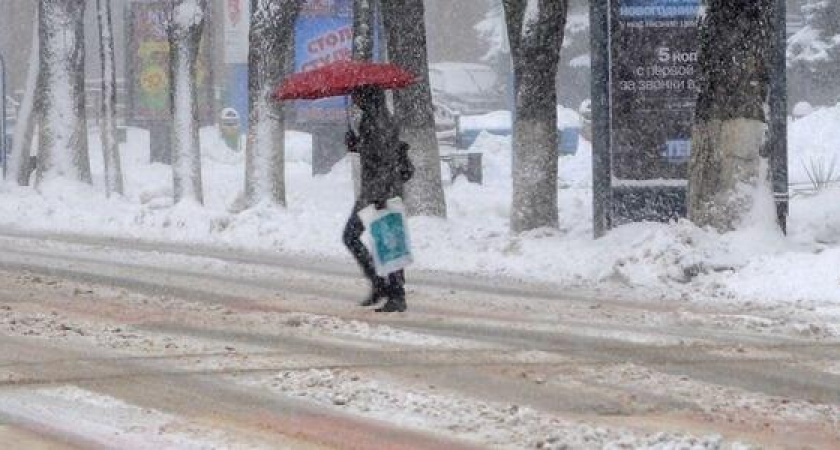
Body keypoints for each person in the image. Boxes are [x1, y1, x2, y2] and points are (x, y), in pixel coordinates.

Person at [343, 86, 414, 313]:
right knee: (383, 238)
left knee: (370, 237)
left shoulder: (377, 122)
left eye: (357, 94)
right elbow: (376, 155)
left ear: (367, 95)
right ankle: (383, 286)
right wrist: (356, 144)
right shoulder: (375, 118)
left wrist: (381, 196)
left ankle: (394, 292)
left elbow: (383, 160)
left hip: (380, 191)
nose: (354, 99)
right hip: (378, 190)